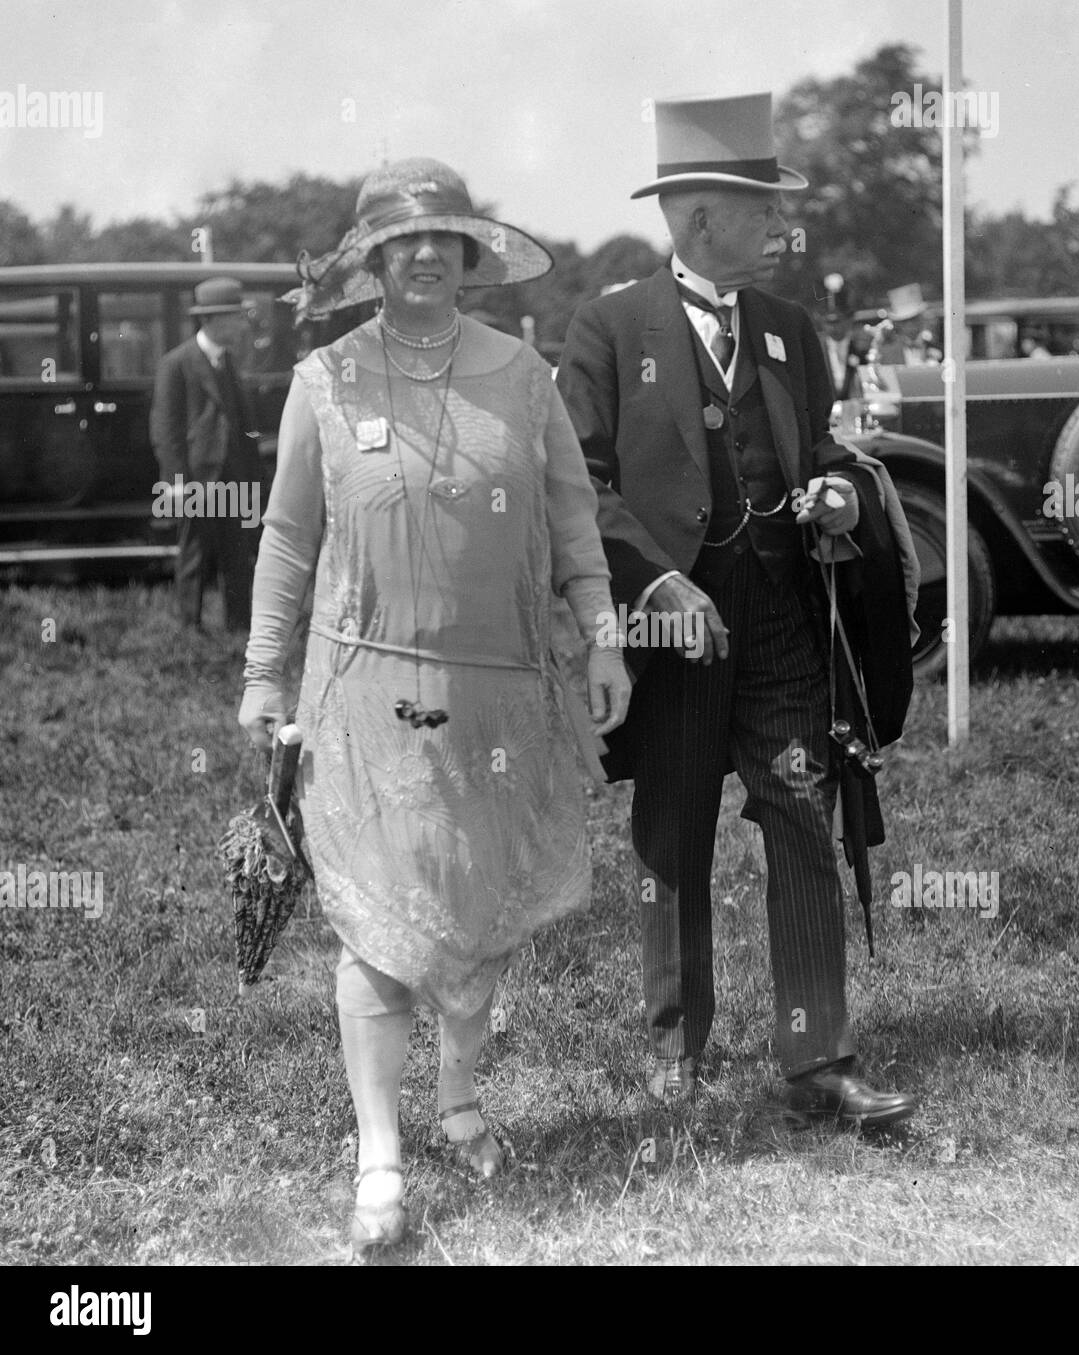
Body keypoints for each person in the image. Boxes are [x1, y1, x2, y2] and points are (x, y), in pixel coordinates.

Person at [237, 159, 631, 1253]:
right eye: (399, 241)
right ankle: (381, 1153)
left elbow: (571, 526)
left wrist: (602, 637)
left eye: (444, 240)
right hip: (362, 685)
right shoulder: (324, 378)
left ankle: (459, 1099)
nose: (422, 256)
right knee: (377, 923)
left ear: (470, 259)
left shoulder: (525, 374)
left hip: (500, 687)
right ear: (367, 261)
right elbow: (286, 539)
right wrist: (265, 675)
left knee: (479, 910)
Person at [557, 93, 918, 1128]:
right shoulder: (609, 326)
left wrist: (840, 491)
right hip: (671, 631)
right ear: (700, 218)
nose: (782, 231)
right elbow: (581, 484)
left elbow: (831, 449)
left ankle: (819, 1063)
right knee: (672, 833)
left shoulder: (794, 331)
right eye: (764, 212)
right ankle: (675, 1049)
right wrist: (655, 582)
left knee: (804, 814)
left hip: (781, 624)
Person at [150, 278, 260, 632]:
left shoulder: (228, 361)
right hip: (196, 480)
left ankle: (240, 628)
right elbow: (166, 431)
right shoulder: (176, 363)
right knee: (194, 555)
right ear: (211, 320)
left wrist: (253, 477)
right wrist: (178, 483)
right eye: (234, 318)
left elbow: (242, 426)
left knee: (238, 555)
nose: (242, 326)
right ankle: (189, 629)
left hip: (234, 477)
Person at [874, 284, 941, 366]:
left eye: (915, 319)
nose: (911, 325)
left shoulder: (936, 347)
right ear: (898, 324)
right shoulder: (886, 351)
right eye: (905, 321)